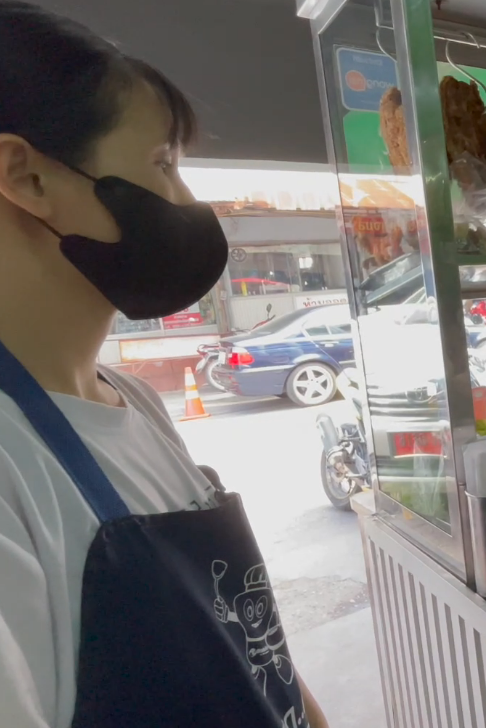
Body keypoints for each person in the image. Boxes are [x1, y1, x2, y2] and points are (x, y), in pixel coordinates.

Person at [0, 3, 328, 727]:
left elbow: (241, 644)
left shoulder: (130, 402)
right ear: (25, 178)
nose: (188, 202)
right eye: (162, 166)